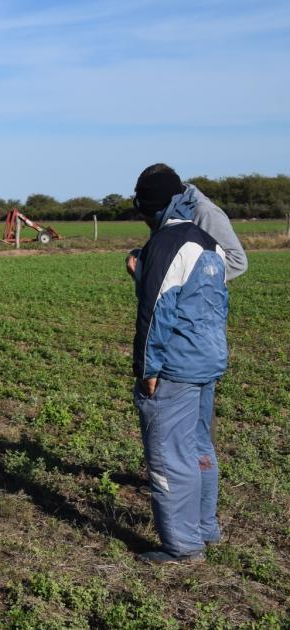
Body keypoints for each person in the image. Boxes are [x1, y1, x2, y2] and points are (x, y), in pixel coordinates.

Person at [130, 166, 230, 564]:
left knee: (170, 456)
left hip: (175, 367)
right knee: (199, 447)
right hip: (207, 360)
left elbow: (156, 312)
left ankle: (183, 547)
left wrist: (147, 370)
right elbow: (211, 305)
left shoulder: (166, 244)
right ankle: (206, 528)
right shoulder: (210, 243)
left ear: (150, 206)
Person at [127, 163, 247, 282]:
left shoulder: (205, 212)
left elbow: (236, 261)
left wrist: (178, 274)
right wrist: (140, 258)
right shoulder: (161, 210)